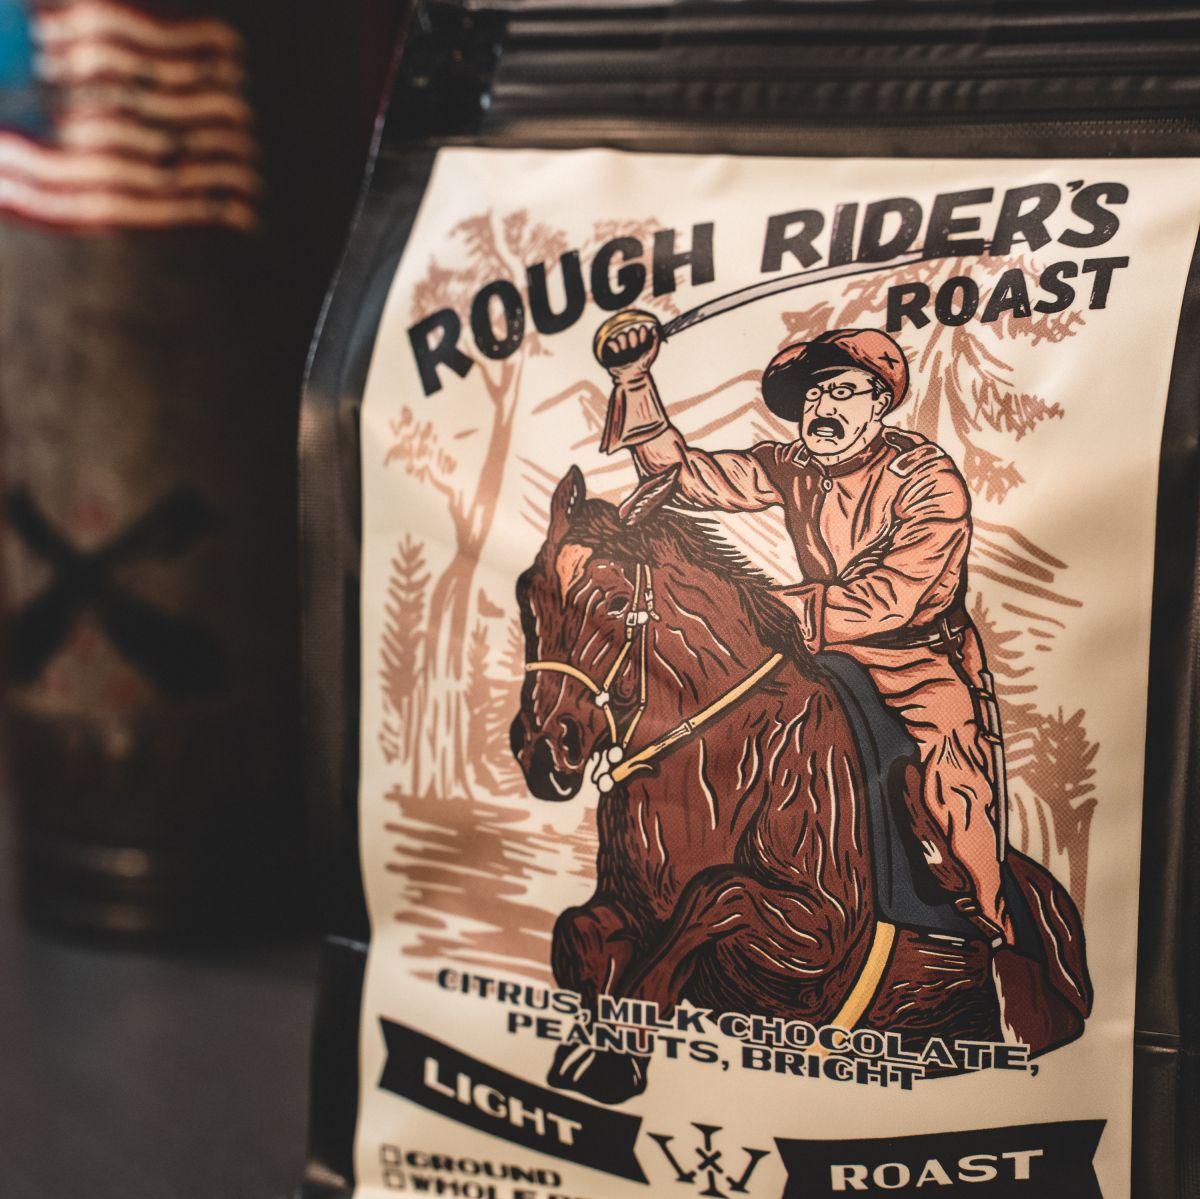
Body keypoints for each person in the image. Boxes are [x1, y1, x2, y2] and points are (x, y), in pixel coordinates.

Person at [597, 312, 1014, 948]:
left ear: (879, 403)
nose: (822, 408)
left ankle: (987, 926)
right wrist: (633, 380)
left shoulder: (927, 479)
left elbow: (895, 597)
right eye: (814, 395)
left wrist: (778, 610)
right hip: (813, 650)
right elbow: (681, 474)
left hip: (914, 662)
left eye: (842, 391)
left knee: (951, 778)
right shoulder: (791, 464)